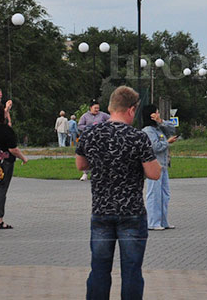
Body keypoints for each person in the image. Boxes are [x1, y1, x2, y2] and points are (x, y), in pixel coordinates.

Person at [75, 86, 160, 299]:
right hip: (131, 212)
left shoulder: (90, 134)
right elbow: (154, 174)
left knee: (99, 269)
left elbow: (80, 165)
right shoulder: (138, 137)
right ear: (131, 110)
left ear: (111, 107)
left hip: (101, 211)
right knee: (131, 270)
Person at [0, 101, 28, 229]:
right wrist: (23, 158)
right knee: (1, 189)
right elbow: (13, 149)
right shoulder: (6, 130)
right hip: (5, 162)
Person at [141, 104, 177, 231]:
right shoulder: (147, 130)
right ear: (151, 115)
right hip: (154, 166)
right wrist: (167, 142)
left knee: (165, 194)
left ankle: (163, 220)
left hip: (163, 165)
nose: (159, 114)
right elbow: (154, 147)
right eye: (156, 112)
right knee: (154, 194)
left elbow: (172, 129)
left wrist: (161, 122)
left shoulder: (158, 128)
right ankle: (153, 222)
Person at [78, 101, 110, 181]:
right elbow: (80, 126)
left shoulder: (103, 115)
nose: (97, 110)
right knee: (87, 155)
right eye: (95, 108)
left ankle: (101, 173)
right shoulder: (85, 116)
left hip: (101, 139)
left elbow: (112, 119)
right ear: (90, 108)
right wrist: (89, 127)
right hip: (89, 139)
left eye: (98, 108)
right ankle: (85, 173)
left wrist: (104, 126)